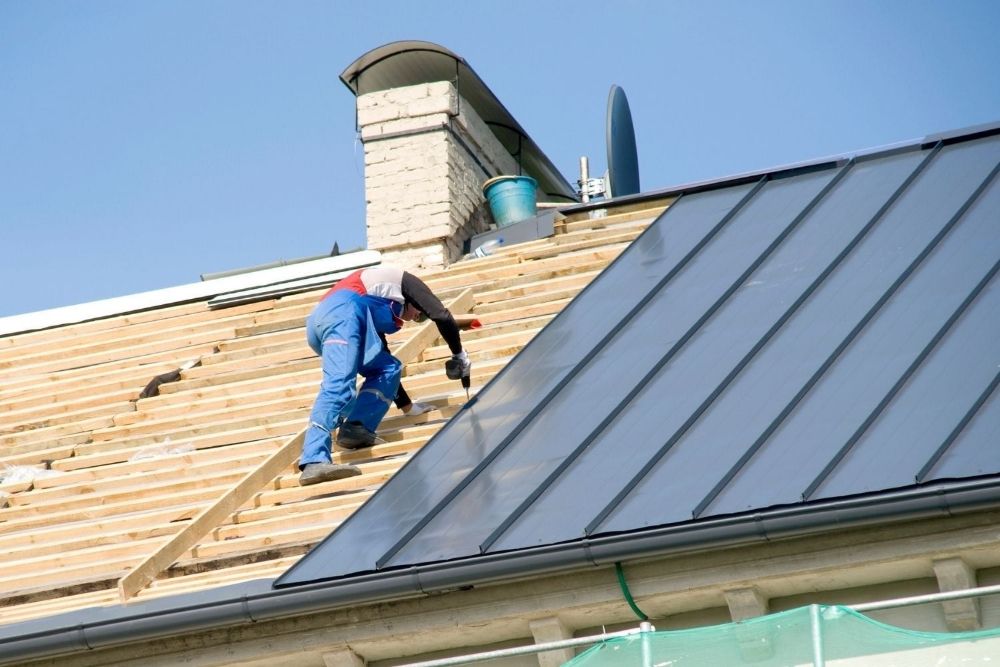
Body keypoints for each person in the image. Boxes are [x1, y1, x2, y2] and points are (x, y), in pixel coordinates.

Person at [298, 265, 470, 486]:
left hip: (336, 318)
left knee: (387, 368)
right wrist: (459, 355)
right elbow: (441, 315)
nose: (417, 317)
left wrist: (409, 408)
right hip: (341, 316)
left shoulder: (376, 304)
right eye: (419, 315)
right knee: (339, 385)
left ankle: (356, 428)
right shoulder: (406, 282)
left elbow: (383, 353)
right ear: (414, 301)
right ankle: (314, 459)